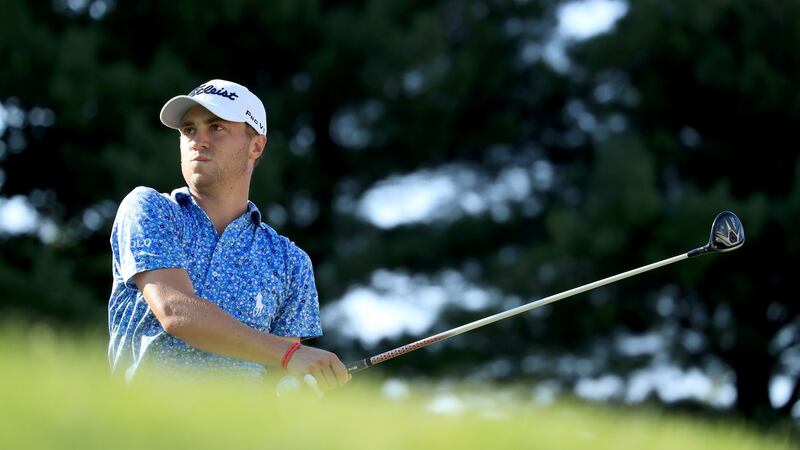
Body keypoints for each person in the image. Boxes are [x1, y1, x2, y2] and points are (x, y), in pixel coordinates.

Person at [107, 79, 350, 391]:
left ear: (256, 146)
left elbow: (281, 379)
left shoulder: (290, 261)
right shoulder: (149, 208)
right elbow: (175, 311)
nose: (198, 140)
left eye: (216, 127)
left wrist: (303, 385)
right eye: (189, 130)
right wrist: (290, 355)